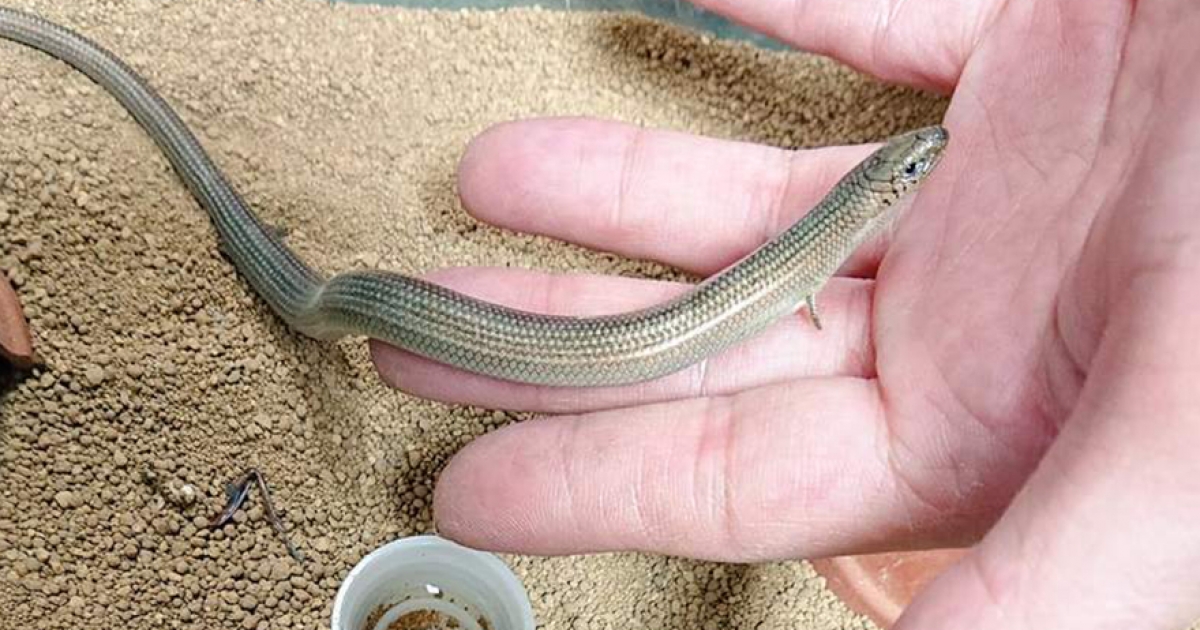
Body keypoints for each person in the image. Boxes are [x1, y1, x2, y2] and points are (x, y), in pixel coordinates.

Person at [371, 0, 1200, 627]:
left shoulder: (841, 229)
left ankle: (350, 303)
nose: (926, 162)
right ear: (885, 190)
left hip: (685, 320)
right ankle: (347, 304)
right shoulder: (846, 220)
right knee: (388, 316)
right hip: (634, 334)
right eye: (911, 172)